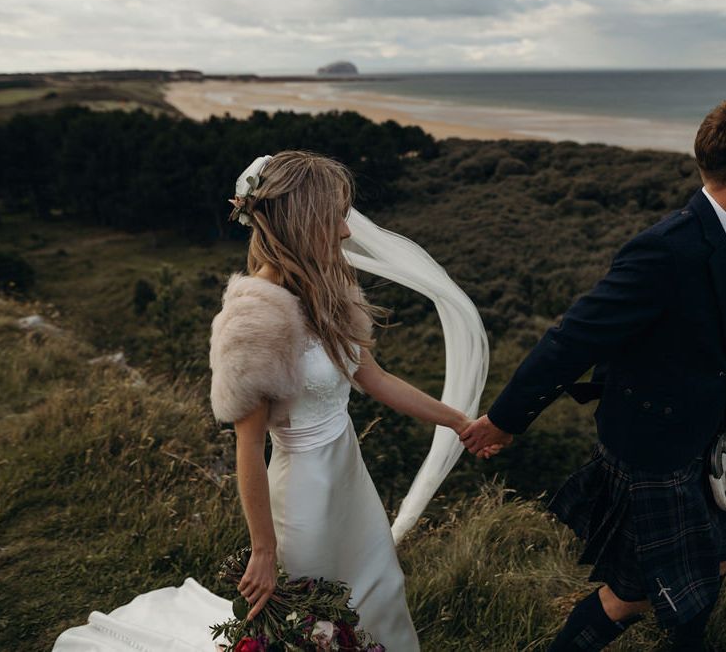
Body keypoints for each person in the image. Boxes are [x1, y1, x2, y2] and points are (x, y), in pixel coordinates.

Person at [461, 101, 726, 651]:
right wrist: (506, 420)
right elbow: (573, 339)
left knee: (701, 576)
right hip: (659, 446)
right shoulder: (665, 249)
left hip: (712, 438)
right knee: (645, 594)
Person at [210, 150, 481, 650]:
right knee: (317, 614)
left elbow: (374, 378)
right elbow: (248, 448)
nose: (346, 232)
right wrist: (264, 549)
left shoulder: (329, 288)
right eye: (335, 217)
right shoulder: (253, 317)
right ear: (300, 221)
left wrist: (458, 421)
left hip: (349, 475)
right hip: (303, 496)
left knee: (378, 587)